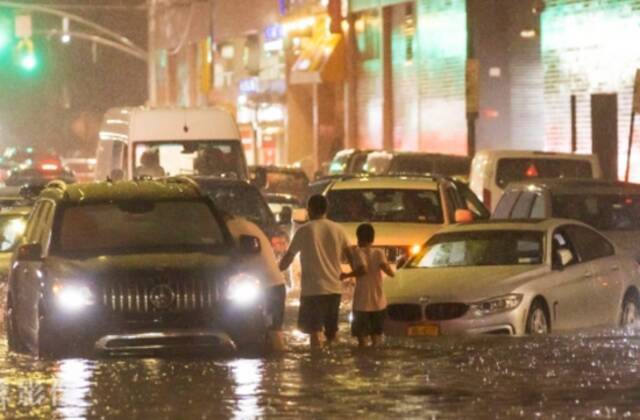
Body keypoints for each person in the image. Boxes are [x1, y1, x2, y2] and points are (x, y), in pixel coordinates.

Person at [279, 194, 361, 349]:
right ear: (326, 210)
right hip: (335, 289)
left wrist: (275, 271)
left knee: (315, 332)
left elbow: (287, 260)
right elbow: (352, 258)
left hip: (313, 290)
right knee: (332, 331)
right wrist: (355, 276)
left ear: (309, 210)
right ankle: (333, 364)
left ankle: (317, 366)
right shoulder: (338, 229)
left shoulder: (304, 230)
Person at [225, 213, 287, 352]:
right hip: (274, 285)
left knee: (273, 332)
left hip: (268, 287)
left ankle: (278, 363)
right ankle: (276, 367)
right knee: (274, 331)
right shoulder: (246, 224)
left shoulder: (230, 229)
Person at [341, 223, 394, 348]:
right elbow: (390, 272)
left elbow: (362, 270)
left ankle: (364, 365)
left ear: (358, 238)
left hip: (362, 304)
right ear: (372, 238)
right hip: (378, 303)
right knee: (376, 339)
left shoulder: (358, 252)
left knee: (362, 341)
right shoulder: (379, 253)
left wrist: (346, 275)